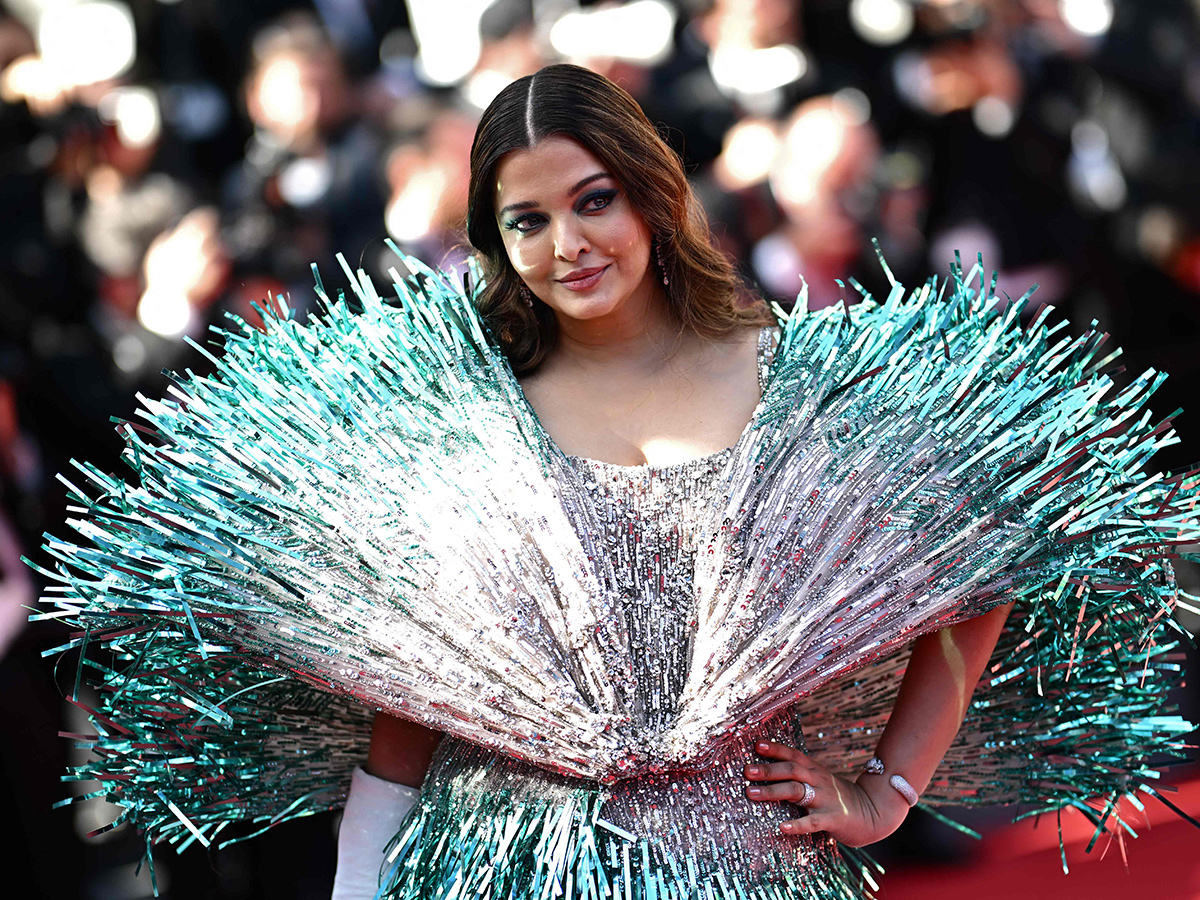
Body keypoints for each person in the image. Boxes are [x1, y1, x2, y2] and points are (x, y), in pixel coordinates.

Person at [35, 65, 1195, 900]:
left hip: (742, 862)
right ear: (494, 241)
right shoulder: (467, 414)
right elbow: (415, 693)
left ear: (649, 191)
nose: (567, 245)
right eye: (526, 220)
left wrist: (888, 790)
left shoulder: (789, 377)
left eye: (592, 200)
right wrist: (361, 880)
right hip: (488, 865)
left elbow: (983, 557)